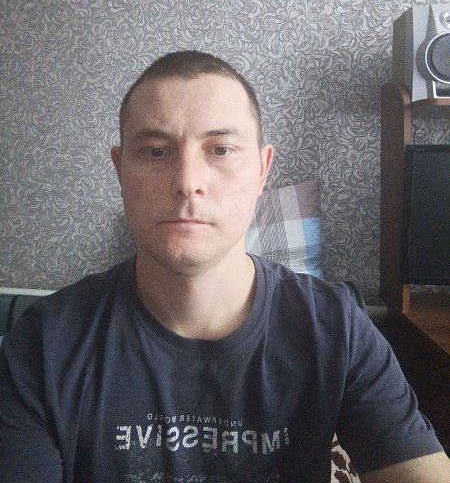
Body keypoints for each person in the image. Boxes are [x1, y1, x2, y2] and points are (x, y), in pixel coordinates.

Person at [0, 50, 449, 483]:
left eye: (220, 149)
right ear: (119, 170)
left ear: (262, 170)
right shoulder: (42, 345)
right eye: (155, 151)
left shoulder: (337, 328)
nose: (187, 182)